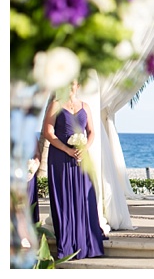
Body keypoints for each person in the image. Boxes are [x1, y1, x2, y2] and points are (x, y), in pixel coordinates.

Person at [43, 80, 105, 259]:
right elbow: (48, 132)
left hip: (81, 157)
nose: (70, 87)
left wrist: (84, 149)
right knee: (64, 197)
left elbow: (91, 131)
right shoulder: (55, 104)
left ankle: (87, 242)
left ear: (78, 86)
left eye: (74, 84)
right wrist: (67, 149)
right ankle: (68, 245)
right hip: (60, 157)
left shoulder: (85, 106)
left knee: (85, 197)